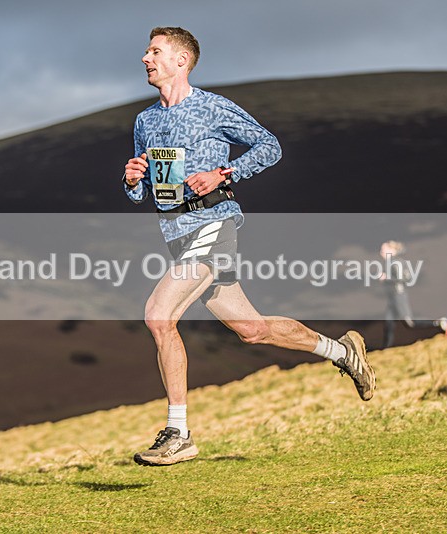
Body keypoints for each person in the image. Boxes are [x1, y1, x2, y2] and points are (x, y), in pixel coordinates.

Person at [122, 27, 375, 467]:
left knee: (159, 316)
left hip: (214, 224)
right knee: (252, 330)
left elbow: (269, 146)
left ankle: (178, 433)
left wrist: (225, 174)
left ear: (182, 61)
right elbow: (142, 191)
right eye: (147, 52)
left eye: (155, 51)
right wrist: (130, 180)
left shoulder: (212, 107)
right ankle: (342, 352)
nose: (146, 58)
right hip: (177, 235)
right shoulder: (145, 122)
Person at [379, 240, 447, 348]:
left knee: (410, 323)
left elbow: (405, 278)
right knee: (389, 324)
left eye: (383, 249)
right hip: (393, 298)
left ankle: (439, 323)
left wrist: (386, 278)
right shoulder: (390, 263)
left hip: (399, 296)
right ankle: (385, 350)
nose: (381, 252)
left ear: (391, 250)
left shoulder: (396, 262)